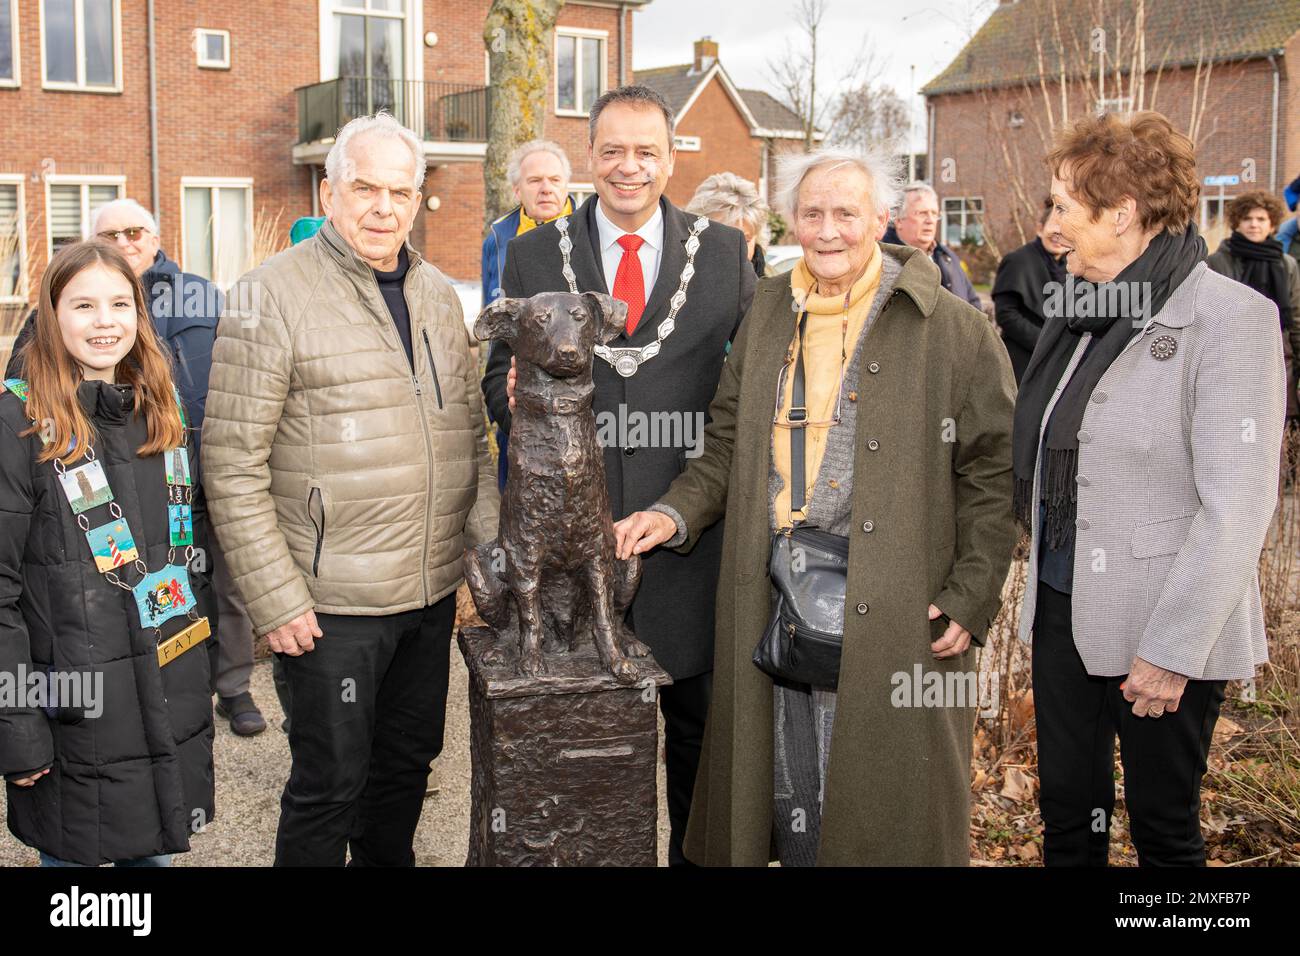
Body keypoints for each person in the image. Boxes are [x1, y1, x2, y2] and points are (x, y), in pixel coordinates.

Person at [614, 146, 1016, 866]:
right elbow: (727, 441)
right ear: (789, 220)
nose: (828, 231)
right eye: (811, 214)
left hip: (894, 607)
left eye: (846, 214)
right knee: (789, 794)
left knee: (880, 810)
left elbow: (991, 471)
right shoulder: (767, 306)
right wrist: (673, 513)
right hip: (775, 598)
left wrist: (972, 593)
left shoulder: (955, 328)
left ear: (882, 220)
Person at [202, 111, 499, 867]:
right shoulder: (270, 294)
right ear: (329, 193)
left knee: (404, 772)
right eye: (364, 187)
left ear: (418, 198)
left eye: (401, 191)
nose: (383, 207)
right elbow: (231, 460)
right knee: (329, 785)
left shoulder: (437, 294)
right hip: (329, 604)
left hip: (428, 596)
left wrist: (482, 555)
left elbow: (471, 433)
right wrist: (275, 597)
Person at [483, 85, 755, 866]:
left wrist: (689, 504)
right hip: (569, 546)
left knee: (698, 741)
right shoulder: (534, 253)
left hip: (684, 542)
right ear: (589, 157)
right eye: (611, 151)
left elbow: (746, 392)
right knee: (578, 742)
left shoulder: (727, 253)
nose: (628, 167)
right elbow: (499, 381)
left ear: (670, 159)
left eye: (646, 152)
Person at [1013, 111, 1284, 867]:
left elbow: (1238, 507)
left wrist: (1172, 651)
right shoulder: (1080, 311)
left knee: (1166, 833)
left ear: (1123, 212)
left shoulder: (1229, 319)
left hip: (1165, 622)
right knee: (1069, 821)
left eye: (1066, 207)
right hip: (1063, 608)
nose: (1053, 226)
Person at [5, 198, 266, 737]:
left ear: (154, 236)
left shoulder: (198, 297)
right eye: (110, 233)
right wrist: (22, 723)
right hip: (90, 492)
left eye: (133, 231)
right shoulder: (21, 406)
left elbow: (241, 371)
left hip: (183, 465)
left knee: (211, 588)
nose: (124, 242)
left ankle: (231, 686)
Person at [0, 240, 215, 866]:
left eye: (121, 303)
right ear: (51, 314)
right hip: (74, 720)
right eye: (83, 305)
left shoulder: (163, 411)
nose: (105, 322)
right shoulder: (18, 421)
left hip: (163, 696)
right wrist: (17, 728)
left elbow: (193, 550)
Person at [481, 140, 574, 489]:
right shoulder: (497, 237)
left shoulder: (587, 233)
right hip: (518, 396)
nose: (546, 188)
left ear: (566, 185)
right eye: (535, 181)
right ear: (517, 189)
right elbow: (493, 317)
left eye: (554, 179)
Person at [1206, 190, 1300, 422]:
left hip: (1277, 349)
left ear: (1272, 225)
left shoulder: (1286, 264)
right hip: (1231, 348)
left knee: (1276, 418)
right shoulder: (1218, 260)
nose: (1254, 225)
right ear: (1237, 223)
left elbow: (1296, 315)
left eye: (1261, 219)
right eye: (1247, 219)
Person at [992, 198, 1070, 384]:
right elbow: (1006, 314)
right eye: (1053, 226)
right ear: (1039, 228)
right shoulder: (1017, 260)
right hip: (1022, 360)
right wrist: (1045, 342)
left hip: (1058, 363)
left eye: (1064, 229)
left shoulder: (1074, 266)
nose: (1058, 234)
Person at [883, 182, 984, 309]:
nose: (930, 220)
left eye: (934, 213)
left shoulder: (947, 257)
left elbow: (973, 303)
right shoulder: (884, 260)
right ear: (898, 221)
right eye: (922, 213)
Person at [686, 172, 771, 278]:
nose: (735, 252)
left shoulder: (777, 289)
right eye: (722, 240)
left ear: (757, 239)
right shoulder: (674, 282)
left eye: (745, 241)